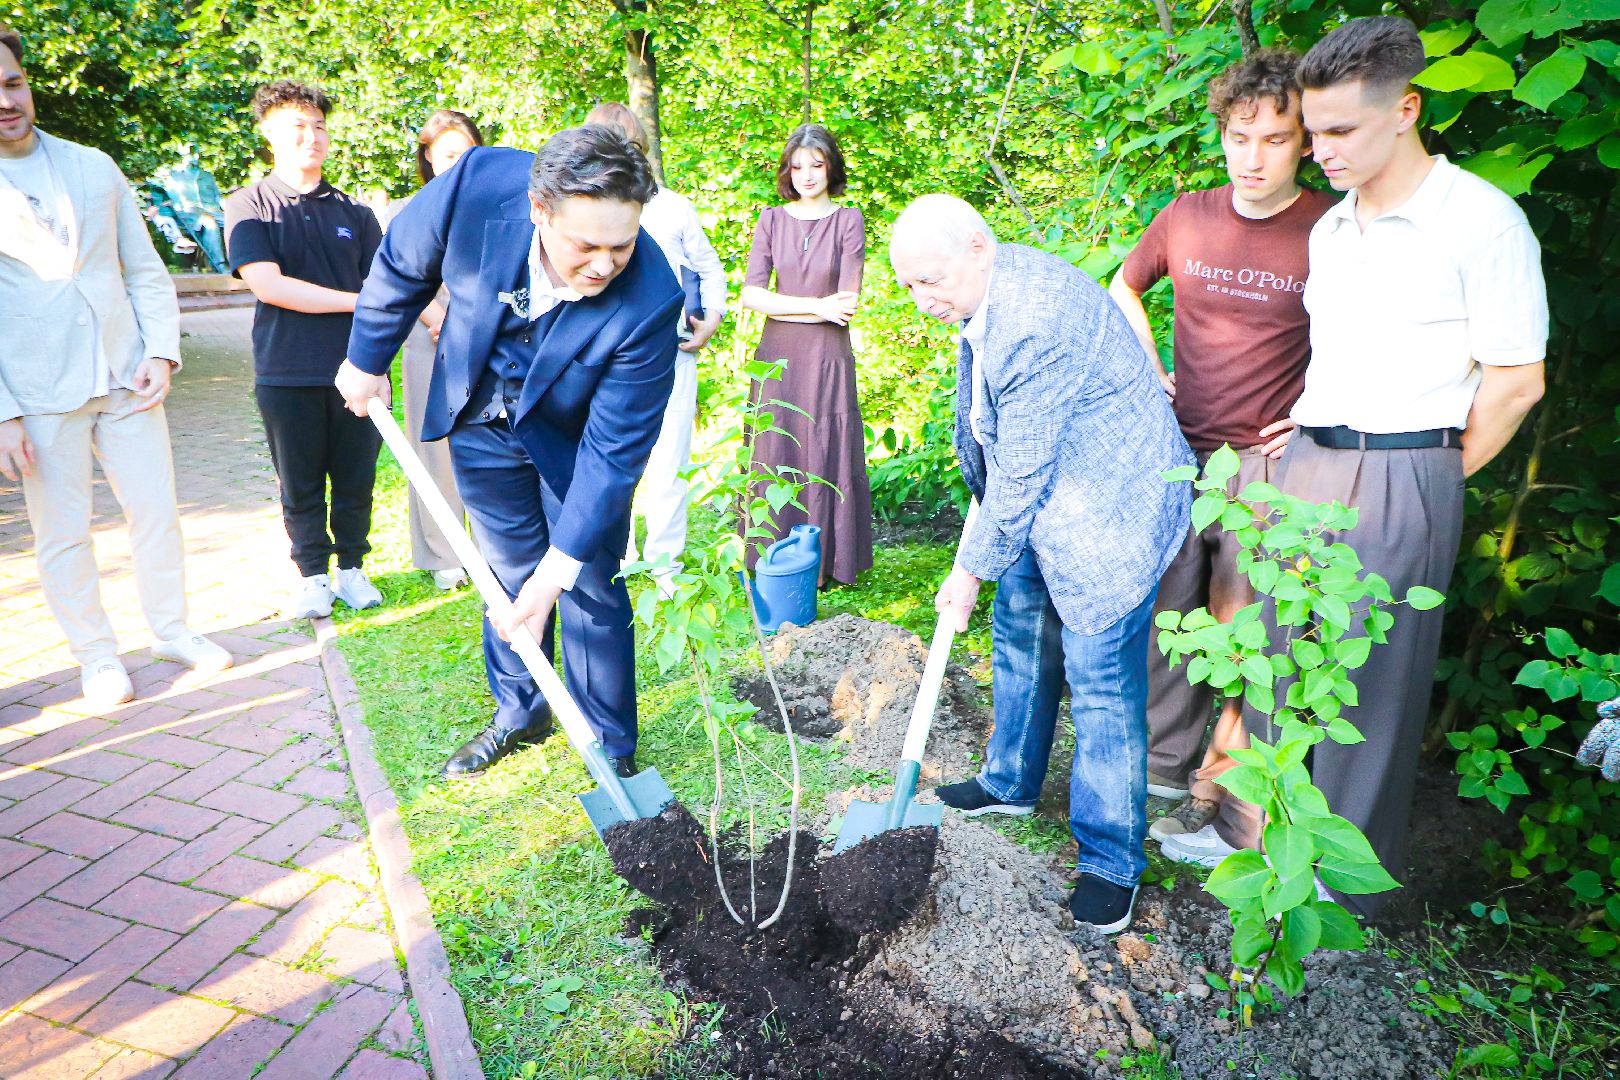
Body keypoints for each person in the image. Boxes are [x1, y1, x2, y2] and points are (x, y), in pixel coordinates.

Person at [1161, 18, 1547, 923]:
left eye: (1340, 131)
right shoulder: (1333, 226)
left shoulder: (1481, 221)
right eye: (1315, 129)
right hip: (1307, 460)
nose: (1321, 149)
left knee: (1368, 684)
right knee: (1275, 655)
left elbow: (1518, 381)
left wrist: (1430, 476)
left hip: (1405, 465)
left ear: (1406, 110)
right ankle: (1252, 838)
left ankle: (1339, 886)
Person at [335, 126, 681, 781]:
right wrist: (365, 358)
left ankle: (609, 741)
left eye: (622, 244)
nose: (605, 265)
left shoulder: (652, 299)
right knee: (505, 573)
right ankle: (522, 711)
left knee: (586, 579)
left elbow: (614, 454)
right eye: (586, 246)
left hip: (574, 438)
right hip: (479, 411)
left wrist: (558, 571)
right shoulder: (475, 184)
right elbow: (403, 262)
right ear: (538, 210)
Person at [889, 194, 1194, 933]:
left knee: (1099, 682)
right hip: (1043, 491)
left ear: (978, 248)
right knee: (1021, 631)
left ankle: (1111, 862)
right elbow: (1005, 440)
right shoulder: (986, 285)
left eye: (931, 280)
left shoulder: (1035, 320)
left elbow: (1025, 467)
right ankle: (1010, 781)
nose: (923, 299)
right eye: (909, 285)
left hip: (1109, 505)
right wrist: (986, 542)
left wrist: (968, 571)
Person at [1108, 49, 1337, 842]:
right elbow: (1123, 286)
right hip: (1177, 454)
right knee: (1170, 619)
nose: (1253, 158)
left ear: (1304, 142)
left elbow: (1371, 329)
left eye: (1274, 139)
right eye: (1240, 138)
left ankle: (1221, 789)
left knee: (1247, 633)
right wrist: (1148, 367)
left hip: (1268, 467)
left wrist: (1319, 407)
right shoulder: (1188, 215)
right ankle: (1160, 771)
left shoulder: (1330, 228)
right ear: (1224, 136)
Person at [0, 24, 231, 707]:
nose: (5, 101)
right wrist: (4, 411)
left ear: (28, 84)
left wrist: (160, 350)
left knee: (156, 511)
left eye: (12, 83)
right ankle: (97, 657)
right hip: (39, 392)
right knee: (63, 534)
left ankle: (173, 630)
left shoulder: (92, 165)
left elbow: (145, 270)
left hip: (126, 376)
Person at [224, 80, 385, 620]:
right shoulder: (250, 206)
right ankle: (313, 575)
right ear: (268, 133)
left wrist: (429, 326)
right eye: (297, 125)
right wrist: (357, 301)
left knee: (357, 478)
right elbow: (268, 285)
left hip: (357, 368)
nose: (311, 136)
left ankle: (352, 569)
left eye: (319, 126)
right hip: (286, 370)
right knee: (300, 482)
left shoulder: (355, 213)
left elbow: (388, 288)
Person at [584, 102, 726, 595]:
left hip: (671, 352)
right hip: (603, 357)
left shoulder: (673, 208)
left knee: (670, 463)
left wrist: (711, 321)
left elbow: (709, 269)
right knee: (609, 459)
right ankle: (615, 556)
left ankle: (666, 565)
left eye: (627, 148)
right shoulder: (581, 210)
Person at [740, 123, 873, 586]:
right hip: (776, 353)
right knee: (775, 440)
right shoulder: (771, 220)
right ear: (787, 172)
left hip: (825, 355)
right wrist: (816, 307)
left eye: (816, 165)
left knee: (822, 440)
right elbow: (752, 295)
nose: (807, 175)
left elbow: (846, 304)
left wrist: (794, 306)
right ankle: (769, 552)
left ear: (831, 167)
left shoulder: (848, 220)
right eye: (797, 167)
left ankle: (825, 558)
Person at [383, 109, 484, 592]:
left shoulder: (493, 205)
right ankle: (444, 553)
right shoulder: (407, 210)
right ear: (428, 157)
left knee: (488, 441)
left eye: (467, 153)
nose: (458, 163)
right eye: (448, 154)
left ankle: (492, 546)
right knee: (434, 447)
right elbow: (399, 272)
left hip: (484, 337)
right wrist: (438, 318)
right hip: (430, 335)